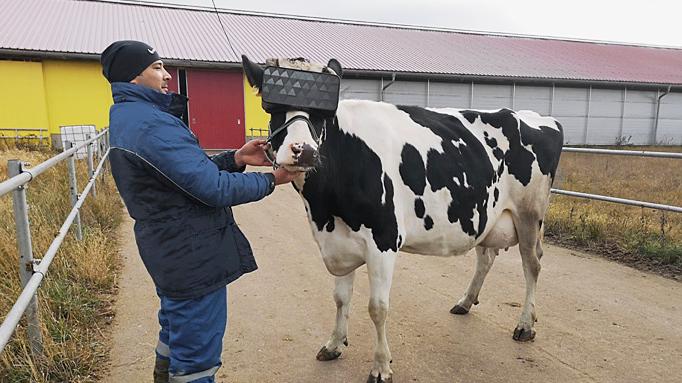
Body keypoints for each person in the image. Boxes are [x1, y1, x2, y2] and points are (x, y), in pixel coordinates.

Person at [100, 40, 300, 383]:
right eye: (157, 67)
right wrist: (273, 179)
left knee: (174, 329)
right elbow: (213, 189)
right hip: (189, 253)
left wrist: (235, 159)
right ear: (134, 78)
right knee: (197, 359)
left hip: (169, 248)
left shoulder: (132, 116)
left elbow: (183, 176)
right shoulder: (152, 125)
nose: (166, 76)